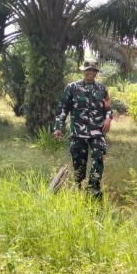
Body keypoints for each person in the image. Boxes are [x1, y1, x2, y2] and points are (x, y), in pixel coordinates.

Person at [53, 58, 112, 199]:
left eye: (93, 70)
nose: (90, 73)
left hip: (97, 131)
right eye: (88, 70)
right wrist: (58, 127)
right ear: (83, 71)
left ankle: (94, 190)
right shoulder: (72, 88)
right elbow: (63, 108)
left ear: (96, 72)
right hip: (78, 132)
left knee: (98, 158)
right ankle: (78, 189)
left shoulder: (102, 90)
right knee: (79, 161)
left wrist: (108, 118)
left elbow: (108, 109)